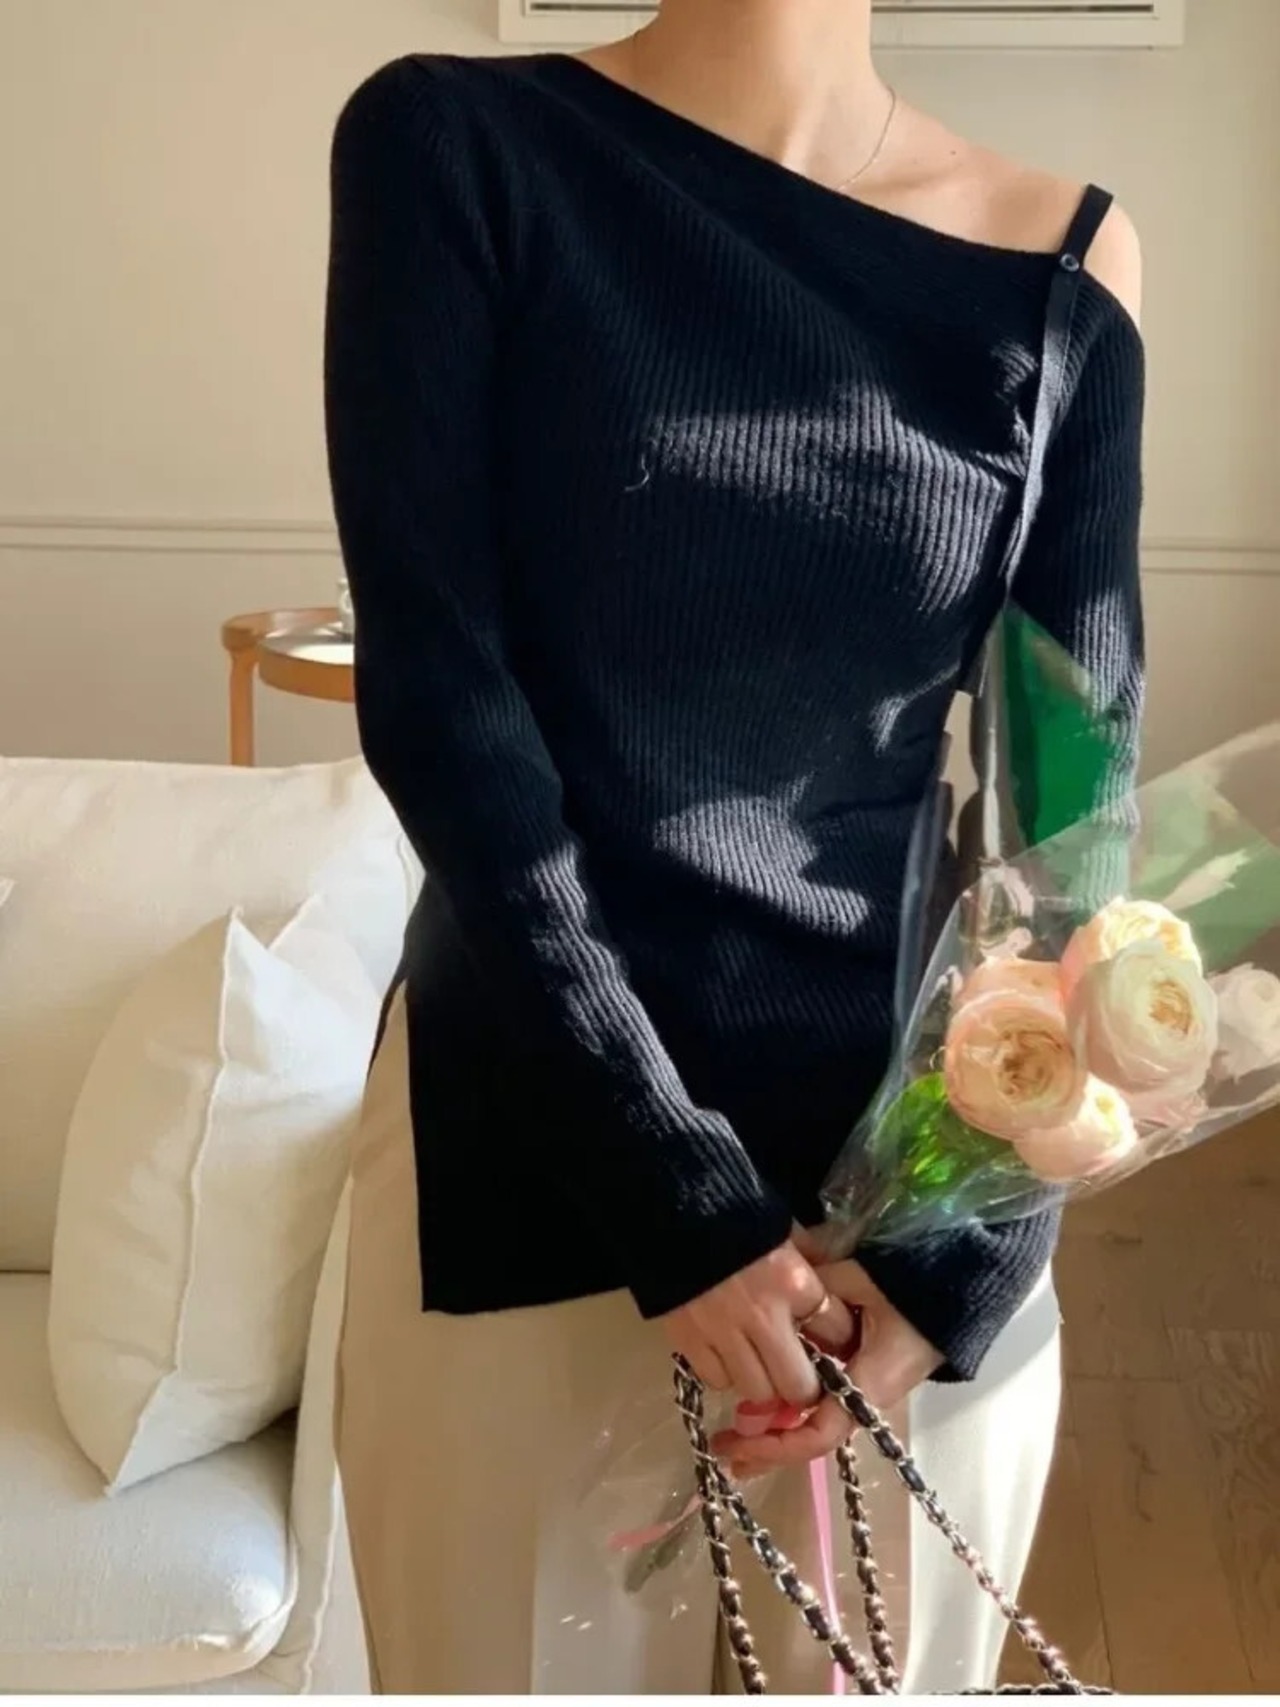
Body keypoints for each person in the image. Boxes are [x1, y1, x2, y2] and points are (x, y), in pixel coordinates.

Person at [325, 0, 1145, 1692]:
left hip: (903, 1206)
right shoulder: (455, 147)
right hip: (534, 1144)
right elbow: (443, 708)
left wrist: (966, 1246)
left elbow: (1074, 809)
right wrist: (676, 1194)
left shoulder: (1066, 261)